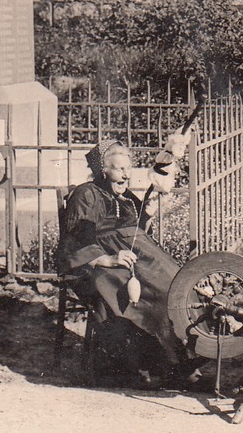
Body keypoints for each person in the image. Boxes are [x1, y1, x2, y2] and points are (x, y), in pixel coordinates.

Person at [57, 137, 190, 386]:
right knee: (132, 292)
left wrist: (148, 212)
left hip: (131, 255)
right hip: (95, 266)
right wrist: (107, 259)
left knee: (172, 283)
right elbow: (78, 239)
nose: (126, 176)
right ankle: (133, 366)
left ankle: (178, 362)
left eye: (128, 170)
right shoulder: (87, 194)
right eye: (119, 169)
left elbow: (137, 226)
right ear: (103, 170)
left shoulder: (124, 195)